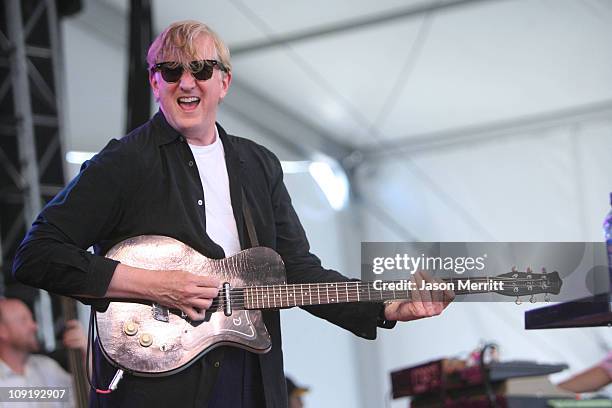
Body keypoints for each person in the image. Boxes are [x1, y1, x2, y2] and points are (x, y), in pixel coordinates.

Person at [12, 20, 454, 407]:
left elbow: (297, 272)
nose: (187, 82)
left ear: (224, 82)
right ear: (154, 83)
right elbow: (38, 254)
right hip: (159, 386)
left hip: (250, 376)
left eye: (201, 69)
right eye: (171, 71)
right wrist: (157, 286)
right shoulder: (125, 162)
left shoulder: (258, 164)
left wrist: (388, 306)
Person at [0, 298, 87, 408]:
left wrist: (87, 356)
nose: (34, 326)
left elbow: (86, 399)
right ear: (2, 331)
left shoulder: (47, 367)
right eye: (23, 320)